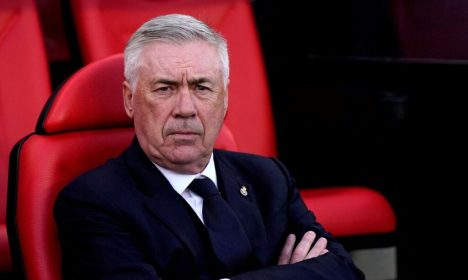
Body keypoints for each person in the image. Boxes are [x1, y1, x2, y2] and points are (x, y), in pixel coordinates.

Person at [54, 14, 365, 280]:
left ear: (225, 99)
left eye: (202, 87)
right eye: (165, 88)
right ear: (129, 99)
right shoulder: (93, 201)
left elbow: (345, 271)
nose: (186, 108)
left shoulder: (268, 177)